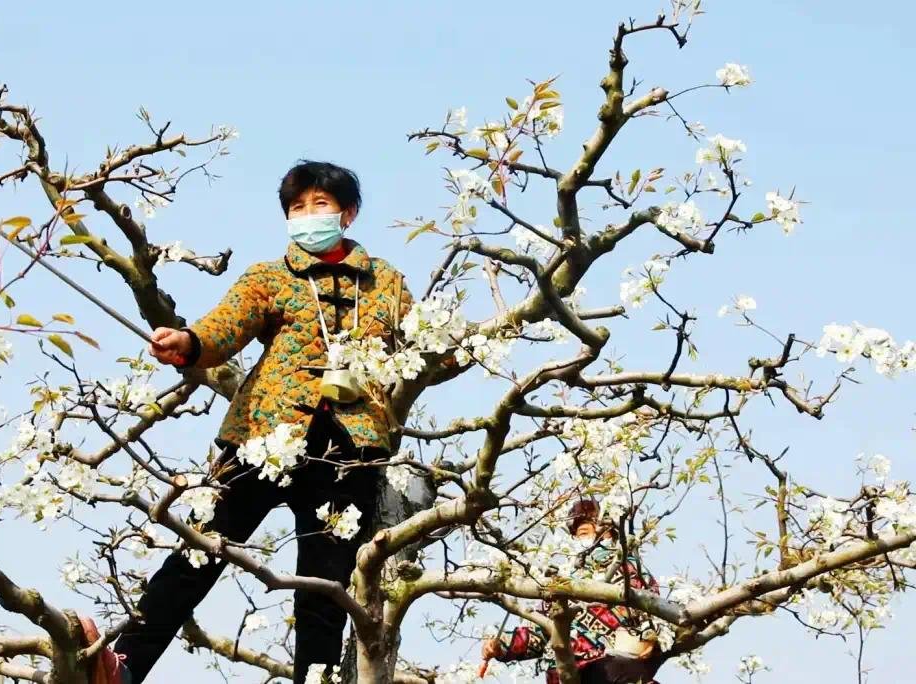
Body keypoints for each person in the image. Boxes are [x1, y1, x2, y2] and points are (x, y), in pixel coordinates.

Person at [79, 161, 414, 684]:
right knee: (199, 553)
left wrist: (454, 346)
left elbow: (421, 349)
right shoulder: (269, 276)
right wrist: (188, 343)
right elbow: (224, 326)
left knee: (325, 586)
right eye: (297, 207)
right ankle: (123, 666)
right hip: (265, 437)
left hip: (350, 448)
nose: (307, 215)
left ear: (348, 213)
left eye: (319, 205)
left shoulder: (387, 283)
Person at [481, 499, 663, 684]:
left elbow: (656, 609)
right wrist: (502, 645)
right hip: (572, 667)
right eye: (577, 534)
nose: (581, 538)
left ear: (608, 531)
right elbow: (540, 628)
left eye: (587, 530)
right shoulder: (564, 579)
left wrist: (652, 636)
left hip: (620, 661)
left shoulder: (630, 569)